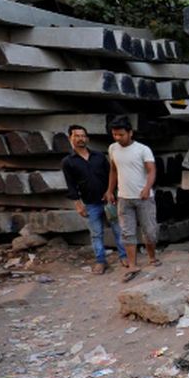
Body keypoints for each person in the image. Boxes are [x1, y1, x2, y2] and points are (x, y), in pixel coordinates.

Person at [61, 124, 127, 274]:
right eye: (76, 136)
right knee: (96, 233)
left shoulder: (99, 156)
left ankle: (124, 256)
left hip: (109, 200)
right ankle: (101, 261)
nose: (80, 139)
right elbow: (71, 185)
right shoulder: (68, 162)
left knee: (118, 229)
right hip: (90, 203)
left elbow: (111, 175)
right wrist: (78, 204)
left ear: (87, 138)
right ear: (70, 138)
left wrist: (111, 192)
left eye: (83, 136)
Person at [104, 117, 159, 279]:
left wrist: (147, 188)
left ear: (130, 133)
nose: (117, 138)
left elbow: (151, 170)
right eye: (115, 135)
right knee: (127, 232)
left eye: (121, 134)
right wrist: (109, 190)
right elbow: (113, 171)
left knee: (149, 230)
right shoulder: (112, 149)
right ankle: (133, 264)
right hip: (123, 198)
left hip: (144, 198)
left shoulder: (143, 150)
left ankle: (152, 257)